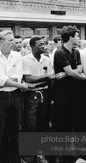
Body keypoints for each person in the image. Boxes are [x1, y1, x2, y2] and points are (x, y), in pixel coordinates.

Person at [0, 30, 29, 163]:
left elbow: (18, 76)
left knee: (15, 131)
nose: (13, 43)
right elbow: (0, 79)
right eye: (10, 40)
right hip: (1, 98)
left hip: (15, 96)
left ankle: (15, 159)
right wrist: (20, 85)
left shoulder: (17, 56)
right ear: (1, 42)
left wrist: (4, 80)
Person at [53, 26, 86, 162]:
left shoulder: (76, 52)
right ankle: (64, 156)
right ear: (70, 38)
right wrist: (83, 78)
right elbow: (76, 73)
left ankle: (72, 154)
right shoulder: (59, 52)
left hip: (74, 94)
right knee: (64, 124)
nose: (79, 39)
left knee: (73, 122)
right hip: (62, 94)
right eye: (77, 36)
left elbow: (78, 69)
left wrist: (67, 73)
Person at [22, 35, 55, 163]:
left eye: (43, 44)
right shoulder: (25, 60)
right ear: (32, 47)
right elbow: (28, 79)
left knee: (43, 124)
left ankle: (41, 154)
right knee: (30, 125)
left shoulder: (47, 59)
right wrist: (45, 77)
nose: (43, 46)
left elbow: (50, 78)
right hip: (31, 95)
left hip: (44, 94)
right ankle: (28, 155)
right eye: (40, 45)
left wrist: (37, 82)